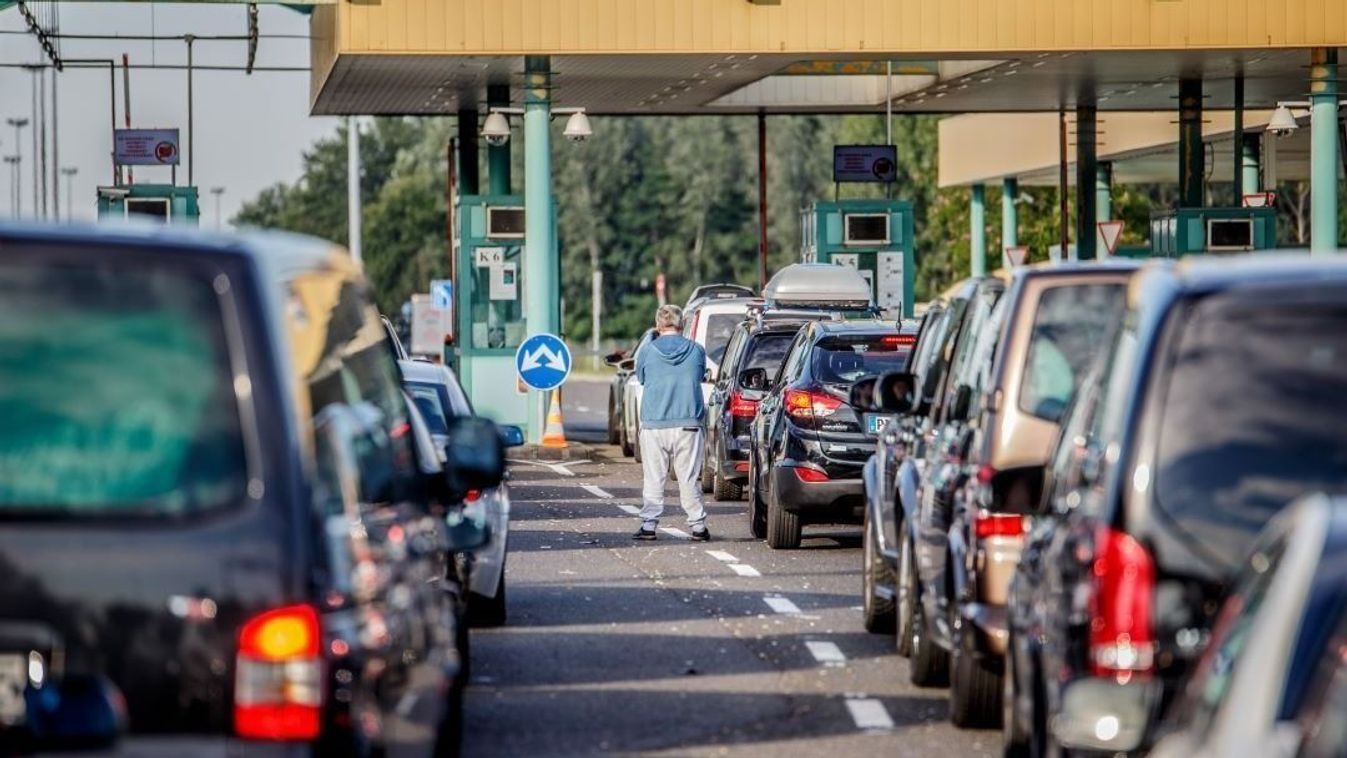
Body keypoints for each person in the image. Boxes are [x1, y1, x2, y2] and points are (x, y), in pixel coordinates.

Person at [633, 304, 710, 542]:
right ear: (682, 325)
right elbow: (698, 376)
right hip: (688, 421)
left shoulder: (647, 350)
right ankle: (697, 526)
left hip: (654, 422)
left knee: (654, 476)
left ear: (658, 326)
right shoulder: (696, 350)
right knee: (688, 477)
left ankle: (649, 525)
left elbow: (641, 378)